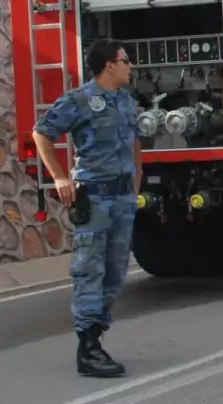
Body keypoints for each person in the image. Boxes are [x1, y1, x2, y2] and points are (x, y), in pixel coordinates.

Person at [32, 39, 141, 377]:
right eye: (125, 60)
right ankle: (88, 347)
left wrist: (136, 181)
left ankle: (96, 337)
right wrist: (60, 177)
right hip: (94, 199)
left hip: (122, 199)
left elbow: (135, 142)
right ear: (109, 65)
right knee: (89, 270)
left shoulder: (125, 100)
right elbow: (42, 133)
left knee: (115, 272)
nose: (130, 66)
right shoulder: (80, 100)